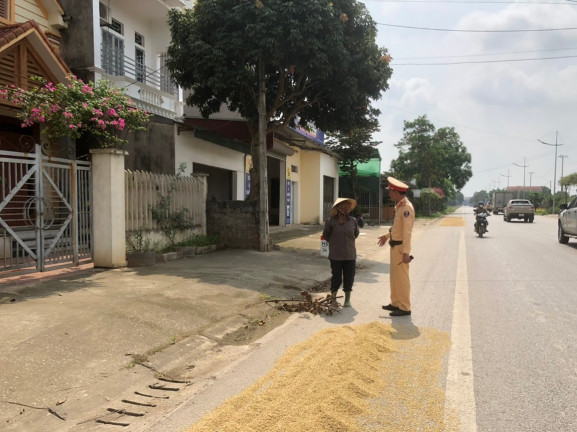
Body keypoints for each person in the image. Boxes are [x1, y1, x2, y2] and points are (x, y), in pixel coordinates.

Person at [377, 177, 414, 316]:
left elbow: (407, 232)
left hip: (400, 248)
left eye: (390, 191)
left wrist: (406, 252)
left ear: (397, 192)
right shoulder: (399, 206)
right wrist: (386, 237)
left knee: (402, 278)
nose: (389, 194)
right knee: (395, 277)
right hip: (394, 247)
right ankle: (396, 303)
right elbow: (396, 228)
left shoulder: (406, 208)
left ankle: (405, 307)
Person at [322, 197, 360, 308]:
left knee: (349, 277)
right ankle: (333, 298)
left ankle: (347, 299)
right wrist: (335, 243)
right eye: (345, 205)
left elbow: (356, 234)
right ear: (339, 207)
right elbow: (326, 235)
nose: (347, 208)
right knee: (336, 277)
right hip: (336, 255)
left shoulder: (353, 220)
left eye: (349, 206)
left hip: (350, 254)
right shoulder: (331, 221)